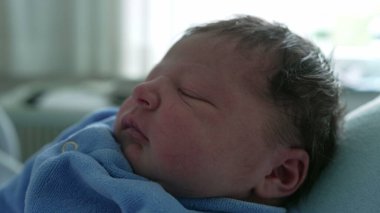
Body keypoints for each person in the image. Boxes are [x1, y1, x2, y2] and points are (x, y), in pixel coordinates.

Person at [0, 15, 342, 212]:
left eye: (190, 93)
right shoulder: (106, 131)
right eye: (150, 79)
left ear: (277, 173)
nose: (142, 92)